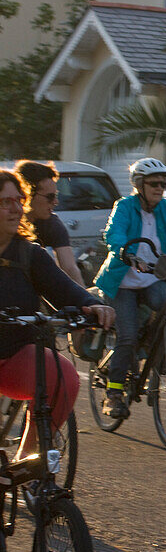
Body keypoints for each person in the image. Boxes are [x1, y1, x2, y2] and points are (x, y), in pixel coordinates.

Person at [0, 170, 114, 460]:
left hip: (14, 354)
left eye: (19, 200)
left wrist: (92, 304)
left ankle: (29, 461)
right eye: (5, 202)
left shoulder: (30, 254)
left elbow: (65, 289)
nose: (15, 209)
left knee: (64, 377)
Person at [94, 158, 166, 419]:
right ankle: (113, 394)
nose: (159, 188)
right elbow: (114, 234)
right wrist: (127, 253)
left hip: (154, 277)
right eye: (153, 183)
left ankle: (153, 350)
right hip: (122, 282)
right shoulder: (124, 206)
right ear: (138, 185)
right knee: (128, 336)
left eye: (163, 184)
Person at [14, 160, 83, 284]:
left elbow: (69, 268)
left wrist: (87, 301)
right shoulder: (7, 221)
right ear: (27, 194)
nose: (56, 202)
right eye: (50, 197)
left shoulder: (51, 223)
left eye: (56, 196)